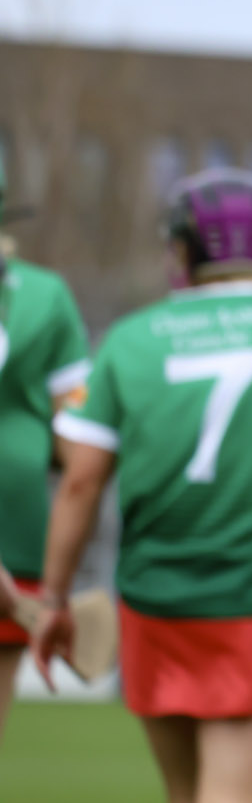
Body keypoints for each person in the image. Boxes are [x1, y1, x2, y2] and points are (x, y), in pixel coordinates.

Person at [33, 168, 252, 803]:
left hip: (153, 606)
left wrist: (52, 599)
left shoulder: (128, 340)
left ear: (182, 247)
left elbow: (79, 483)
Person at [0, 152, 92, 743]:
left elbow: (77, 439)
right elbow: (77, 437)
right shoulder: (47, 294)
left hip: (16, 540)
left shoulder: (47, 295)